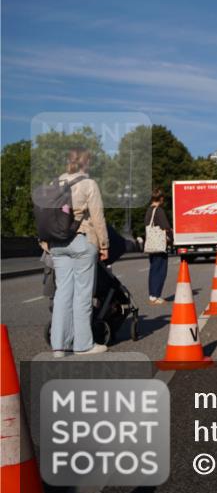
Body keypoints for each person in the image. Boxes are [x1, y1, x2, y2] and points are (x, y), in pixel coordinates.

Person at [48, 147, 110, 357]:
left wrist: (45, 242)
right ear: (86, 162)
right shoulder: (89, 184)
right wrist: (104, 245)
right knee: (82, 295)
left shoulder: (54, 183)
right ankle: (83, 345)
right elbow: (98, 217)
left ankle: (59, 346)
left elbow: (45, 215)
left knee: (62, 294)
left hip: (57, 243)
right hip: (81, 239)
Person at [144, 187, 173, 306]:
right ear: (160, 198)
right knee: (160, 270)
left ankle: (152, 295)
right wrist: (172, 235)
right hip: (159, 245)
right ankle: (156, 295)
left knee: (153, 270)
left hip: (152, 244)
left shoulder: (149, 210)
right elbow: (165, 226)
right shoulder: (159, 210)